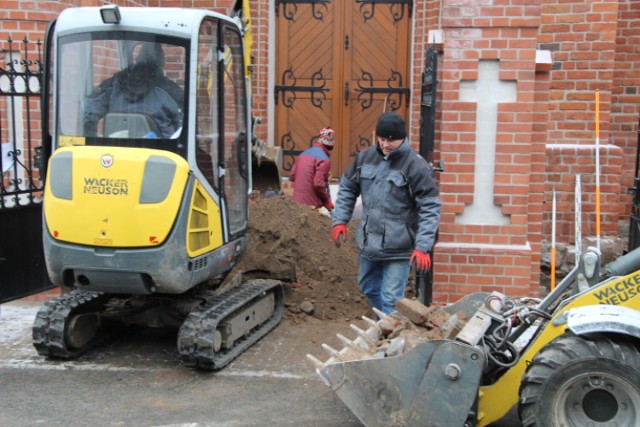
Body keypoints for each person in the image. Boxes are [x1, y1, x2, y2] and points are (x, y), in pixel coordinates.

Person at [331, 112, 441, 315]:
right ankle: (387, 326)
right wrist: (340, 220)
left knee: (391, 299)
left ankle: (390, 339)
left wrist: (423, 246)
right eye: (382, 139)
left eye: (392, 140)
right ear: (376, 134)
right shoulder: (365, 158)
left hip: (399, 247)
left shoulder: (415, 166)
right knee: (368, 287)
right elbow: (347, 188)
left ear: (403, 137)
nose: (386, 144)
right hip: (369, 242)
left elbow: (430, 207)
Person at [83, 42, 183, 138]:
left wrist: (92, 141)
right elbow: (185, 125)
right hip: (158, 151)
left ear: (137, 60)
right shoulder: (169, 90)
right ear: (161, 64)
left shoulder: (113, 85)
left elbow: (88, 114)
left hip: (116, 148)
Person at [289, 128, 336, 210]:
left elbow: (292, 175)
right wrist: (326, 201)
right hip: (310, 205)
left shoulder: (303, 154)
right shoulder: (324, 159)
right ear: (330, 147)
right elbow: (318, 184)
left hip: (296, 203)